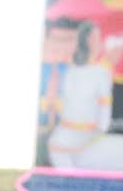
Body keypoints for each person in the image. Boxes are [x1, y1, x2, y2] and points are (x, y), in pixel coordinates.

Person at [47, 22, 114, 168]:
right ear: (89, 41)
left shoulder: (79, 71)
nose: (100, 43)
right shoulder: (95, 72)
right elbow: (104, 113)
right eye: (97, 39)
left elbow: (103, 112)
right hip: (75, 137)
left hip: (72, 138)